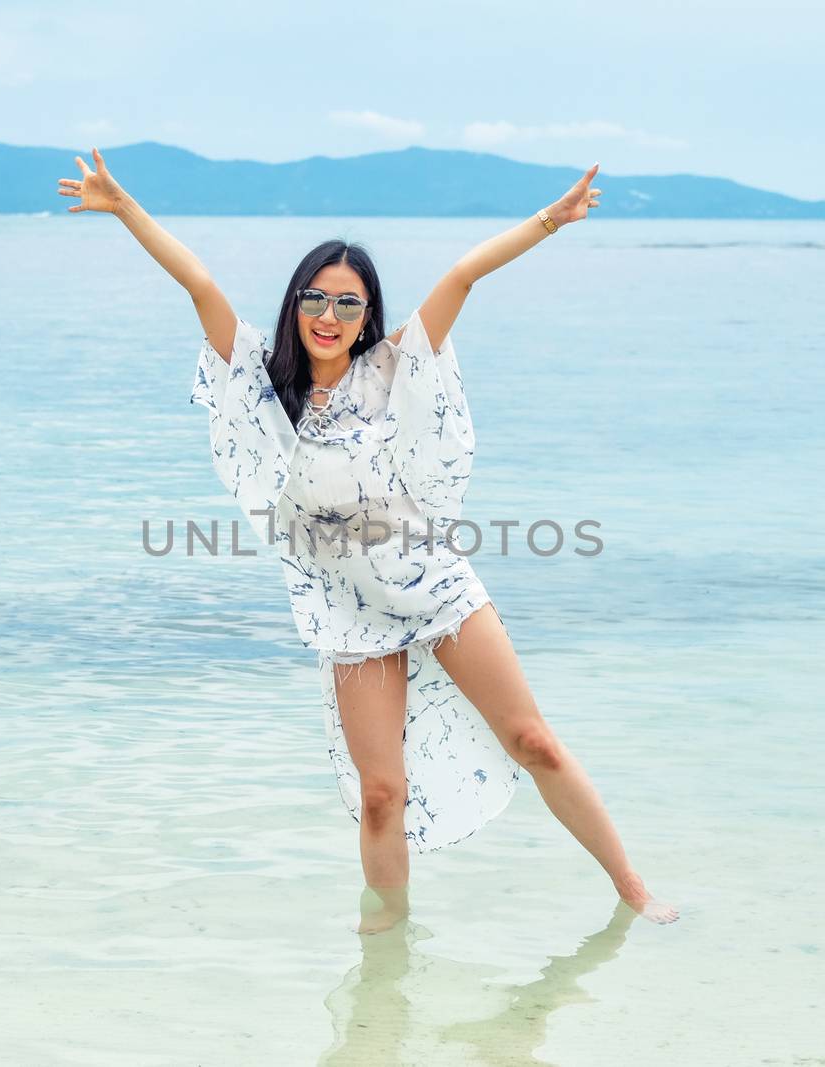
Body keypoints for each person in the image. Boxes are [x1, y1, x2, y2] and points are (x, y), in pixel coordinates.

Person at [58, 148, 679, 930]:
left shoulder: (387, 372)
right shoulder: (261, 383)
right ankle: (386, 947)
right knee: (383, 794)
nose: (329, 314)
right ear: (294, 306)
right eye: (314, 298)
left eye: (347, 304)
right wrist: (124, 207)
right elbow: (200, 284)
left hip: (431, 581)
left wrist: (552, 219)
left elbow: (461, 276)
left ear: (366, 317)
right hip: (346, 606)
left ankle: (630, 886)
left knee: (533, 739)